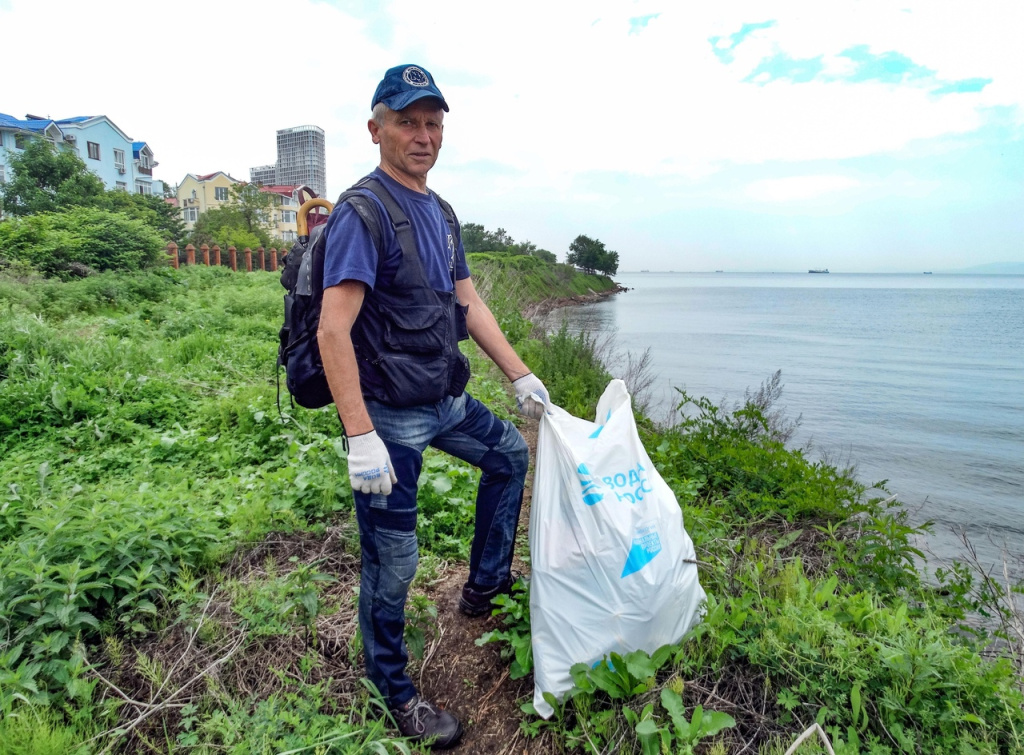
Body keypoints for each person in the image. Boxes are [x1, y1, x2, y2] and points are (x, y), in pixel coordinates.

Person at [317, 64, 551, 749]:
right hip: (388, 417)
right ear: (376, 129)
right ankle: (392, 689)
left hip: (444, 398)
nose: (423, 136)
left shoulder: (441, 212)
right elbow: (332, 330)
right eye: (407, 122)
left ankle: (485, 587)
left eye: (432, 123)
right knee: (393, 561)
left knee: (509, 455)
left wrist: (520, 373)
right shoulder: (363, 212)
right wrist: (360, 435)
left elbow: (467, 301)